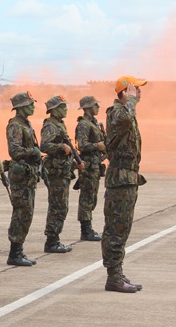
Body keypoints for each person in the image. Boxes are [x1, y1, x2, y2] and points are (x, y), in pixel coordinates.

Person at [101, 76, 147, 293]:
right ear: (124, 92)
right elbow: (125, 119)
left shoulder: (126, 112)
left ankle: (117, 272)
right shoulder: (118, 112)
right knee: (116, 228)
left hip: (127, 178)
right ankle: (113, 277)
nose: (139, 93)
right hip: (119, 179)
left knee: (123, 227)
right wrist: (130, 100)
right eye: (135, 89)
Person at [40, 95, 84, 253]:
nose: (65, 109)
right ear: (54, 110)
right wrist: (60, 148)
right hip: (56, 173)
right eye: (62, 107)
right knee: (57, 206)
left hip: (63, 171)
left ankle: (55, 238)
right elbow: (44, 146)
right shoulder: (51, 125)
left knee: (62, 206)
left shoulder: (59, 124)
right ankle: (51, 241)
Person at [5, 92, 42, 266]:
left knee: (26, 213)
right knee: (21, 213)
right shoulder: (15, 125)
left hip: (28, 175)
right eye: (30, 104)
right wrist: (32, 152)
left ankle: (18, 250)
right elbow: (14, 151)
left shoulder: (26, 124)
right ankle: (15, 253)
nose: (33, 106)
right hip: (20, 176)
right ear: (21, 107)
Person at [75, 95, 106, 241]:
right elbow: (82, 145)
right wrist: (97, 146)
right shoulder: (84, 124)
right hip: (87, 166)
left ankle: (88, 227)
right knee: (87, 197)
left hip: (95, 165)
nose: (97, 107)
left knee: (92, 197)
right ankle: (86, 230)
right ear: (87, 108)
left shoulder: (94, 123)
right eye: (95, 105)